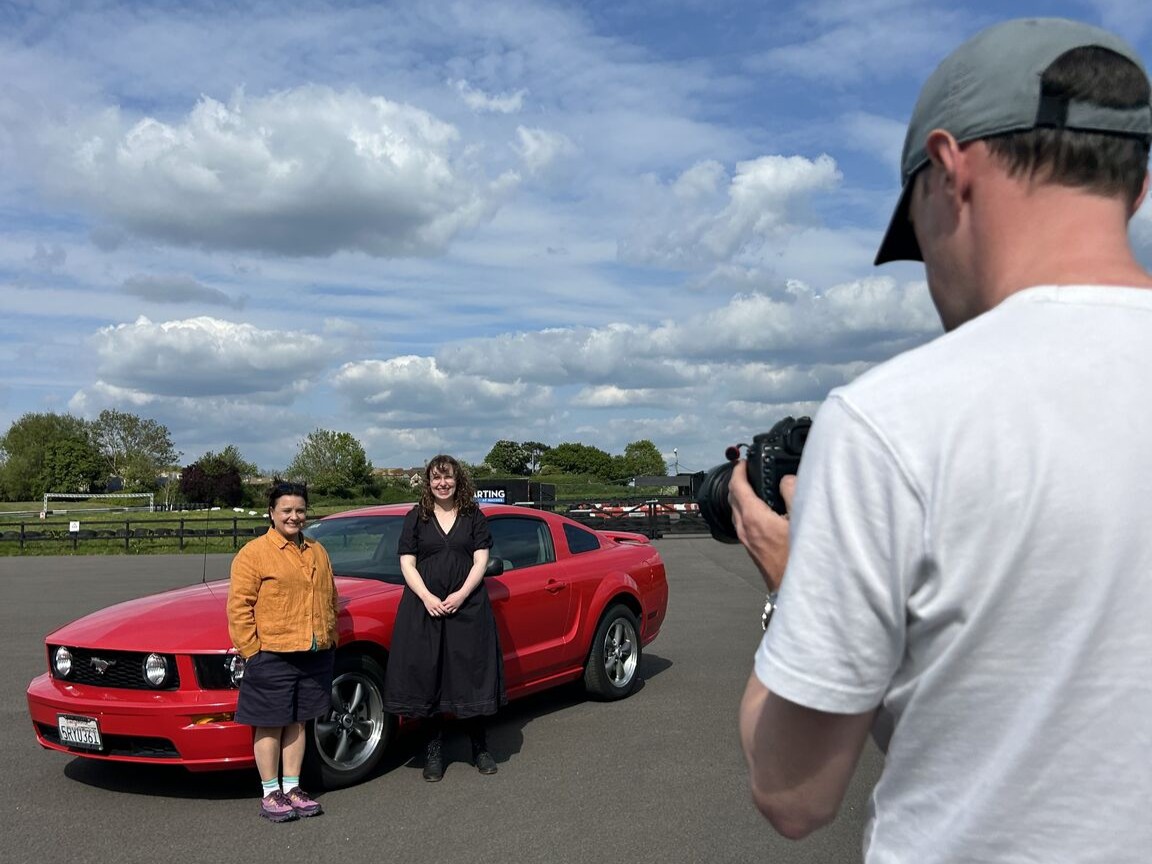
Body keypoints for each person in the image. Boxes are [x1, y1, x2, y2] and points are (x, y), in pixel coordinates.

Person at [732, 17, 1152, 862]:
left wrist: (790, 581)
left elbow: (793, 793)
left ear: (951, 170)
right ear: (1135, 189)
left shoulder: (896, 419)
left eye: (914, 230)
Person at [383, 454, 505, 781]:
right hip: (424, 609)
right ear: (428, 482)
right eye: (436, 478)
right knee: (429, 678)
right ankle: (434, 752)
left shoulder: (473, 516)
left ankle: (479, 747)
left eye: (448, 477)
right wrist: (427, 597)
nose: (442, 483)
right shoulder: (416, 517)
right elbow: (407, 563)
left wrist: (461, 595)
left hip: (468, 607)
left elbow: (481, 561)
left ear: (458, 479)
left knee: (470, 675)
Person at [227, 481, 339, 822]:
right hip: (272, 654)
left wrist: (329, 635)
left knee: (299, 723)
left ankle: (293, 788)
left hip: (314, 651)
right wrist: (253, 651)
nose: (294, 517)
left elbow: (330, 596)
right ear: (272, 513)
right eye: (287, 511)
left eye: (300, 510)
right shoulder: (254, 553)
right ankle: (270, 792)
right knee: (270, 724)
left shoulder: (317, 550)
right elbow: (239, 607)